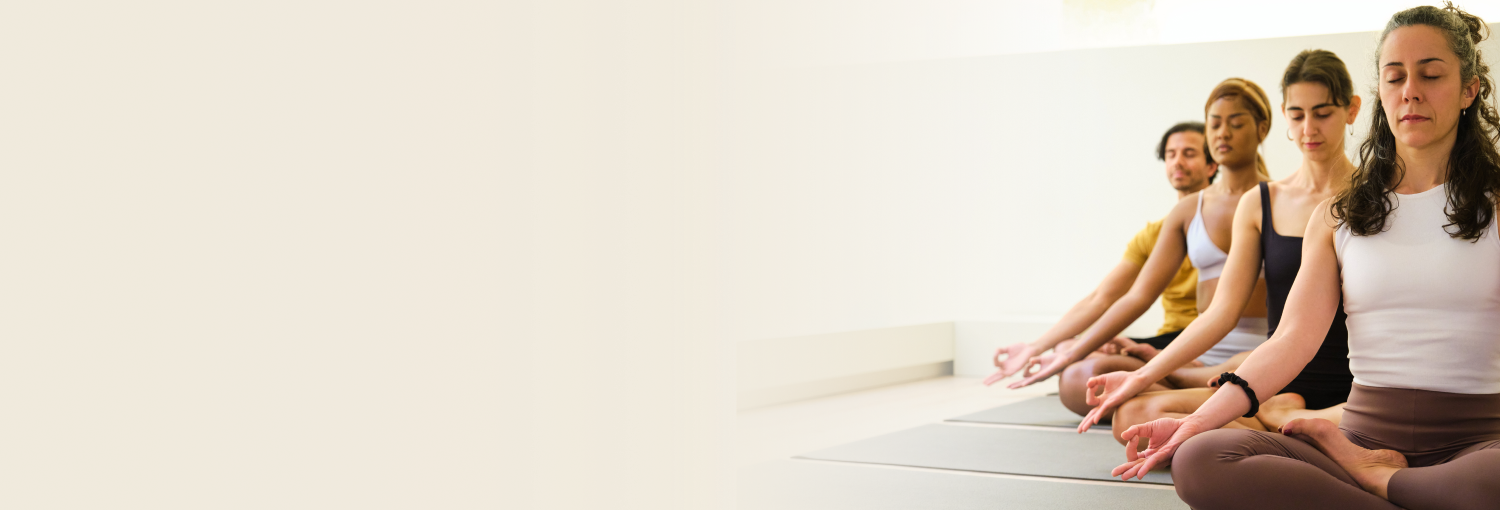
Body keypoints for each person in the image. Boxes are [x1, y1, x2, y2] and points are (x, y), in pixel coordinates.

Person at [1113, 5, 1500, 509]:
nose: (1410, 91)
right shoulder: (1338, 215)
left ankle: (1382, 486)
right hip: (1356, 440)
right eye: (1394, 77)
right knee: (1201, 458)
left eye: (1430, 75)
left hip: (1476, 445)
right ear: (1381, 93)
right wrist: (1197, 420)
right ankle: (1407, 491)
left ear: (1470, 89)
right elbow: (1291, 338)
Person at [1077, 50, 1362, 443]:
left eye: (1323, 113)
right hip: (1273, 377)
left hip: (1344, 381)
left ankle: (1298, 427)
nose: (1309, 128)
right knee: (1132, 417)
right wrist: (1145, 373)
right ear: (1284, 116)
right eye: (1297, 115)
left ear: (1352, 110)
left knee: (1190, 438)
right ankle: (1291, 431)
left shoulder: (1373, 196)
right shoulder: (1262, 202)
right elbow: (1222, 312)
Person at [1007, 78, 1276, 420]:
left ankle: (1202, 395)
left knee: (1130, 412)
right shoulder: (1186, 212)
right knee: (1078, 381)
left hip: (1255, 356)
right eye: (1215, 124)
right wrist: (1066, 351)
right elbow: (1135, 296)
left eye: (1236, 124)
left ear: (1262, 128)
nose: (1223, 133)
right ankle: (1197, 395)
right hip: (1194, 351)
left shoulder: (1281, 201)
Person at [984, 123, 1216, 386]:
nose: (1178, 162)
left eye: (1189, 153)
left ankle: (1174, 379)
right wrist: (1035, 347)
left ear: (1212, 165)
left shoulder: (1227, 224)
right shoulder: (1153, 234)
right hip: (1167, 339)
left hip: (1208, 339)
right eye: (1171, 154)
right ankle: (1166, 378)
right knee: (1067, 350)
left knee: (1082, 368)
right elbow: (1101, 298)